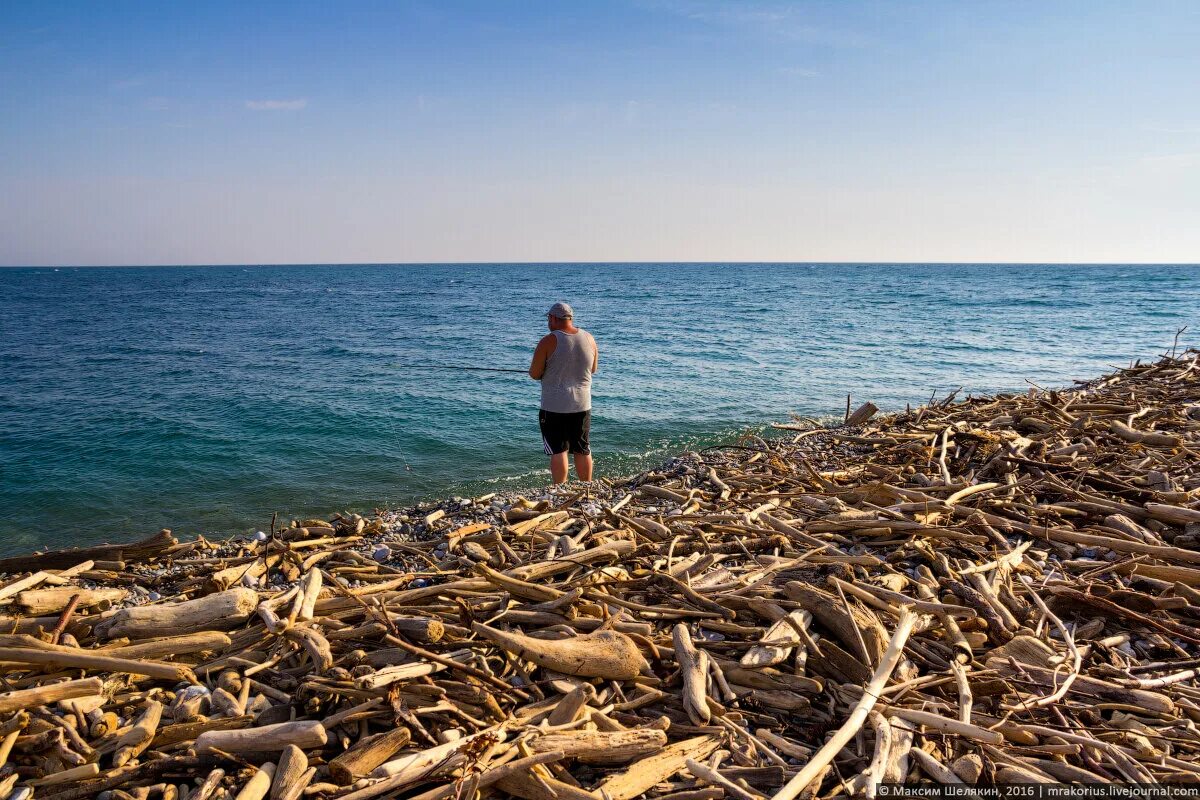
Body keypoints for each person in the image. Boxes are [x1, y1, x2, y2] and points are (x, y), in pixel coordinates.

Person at [528, 302, 599, 483]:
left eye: (548, 318)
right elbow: (593, 369)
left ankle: (560, 489)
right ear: (570, 318)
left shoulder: (548, 340)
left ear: (553, 318)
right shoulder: (589, 338)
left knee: (559, 450)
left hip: (554, 406)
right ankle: (586, 485)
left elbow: (535, 374)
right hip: (582, 404)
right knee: (582, 448)